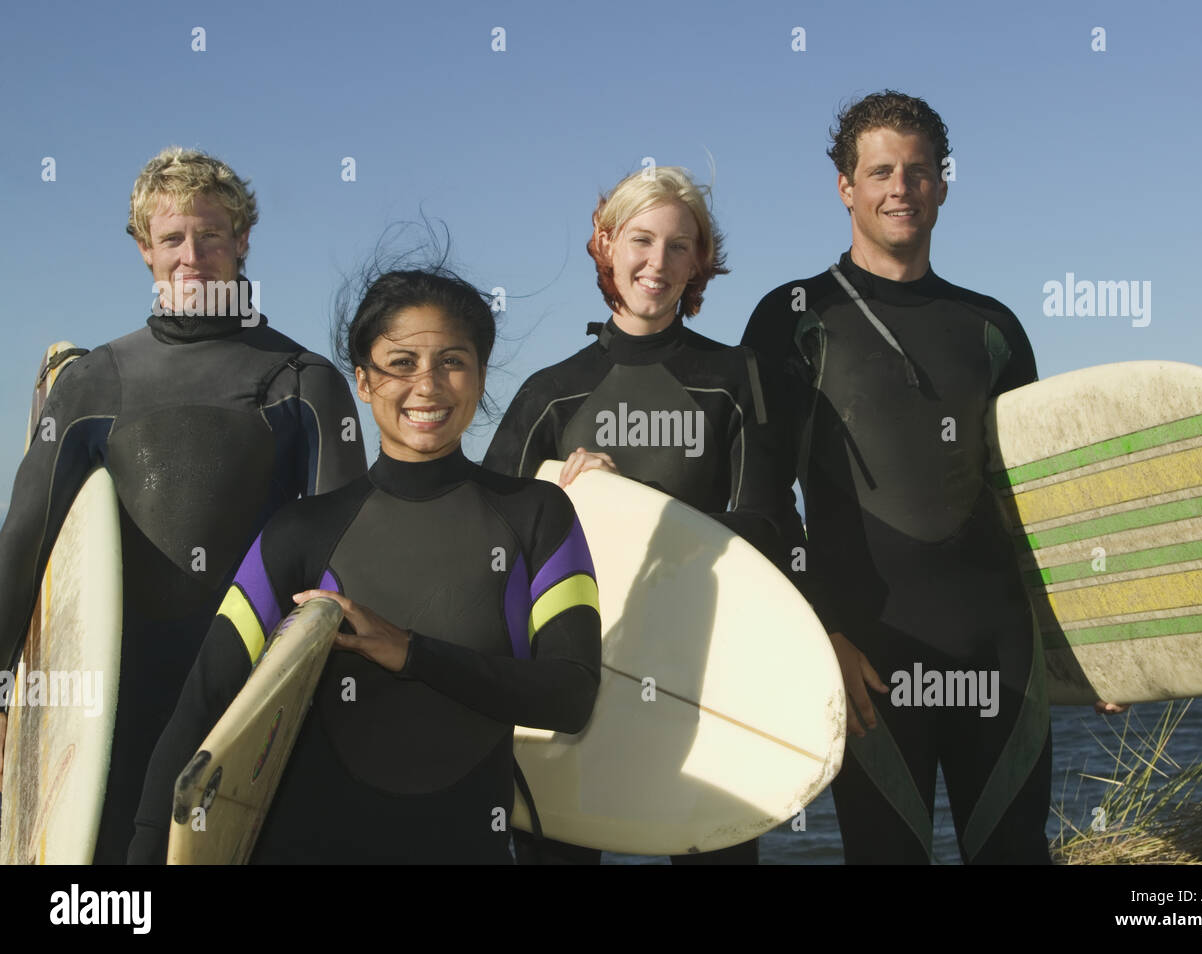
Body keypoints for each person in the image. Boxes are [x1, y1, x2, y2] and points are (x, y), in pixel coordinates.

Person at [129, 261, 602, 864]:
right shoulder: (302, 531)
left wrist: (409, 651)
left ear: (480, 376)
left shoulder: (538, 516)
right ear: (363, 380)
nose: (426, 386)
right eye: (400, 364)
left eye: (452, 361)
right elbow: (202, 706)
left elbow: (571, 695)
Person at [0, 147, 366, 863]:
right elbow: (24, 546)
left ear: (242, 241)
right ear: (144, 250)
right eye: (171, 238)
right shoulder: (94, 383)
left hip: (244, 703)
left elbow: (339, 570)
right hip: (104, 711)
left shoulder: (302, 382)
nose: (192, 256)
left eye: (211, 234)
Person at [742, 91, 1052, 864]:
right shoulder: (794, 315)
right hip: (869, 659)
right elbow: (762, 494)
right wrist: (821, 631)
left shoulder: (991, 325)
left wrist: (1095, 640)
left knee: (1016, 852)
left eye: (918, 172)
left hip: (1000, 649)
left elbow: (1035, 499)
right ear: (845, 186)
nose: (900, 188)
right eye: (880, 172)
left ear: (943, 184)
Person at [484, 166, 801, 864]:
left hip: (708, 677)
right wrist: (563, 507)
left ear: (700, 262)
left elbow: (771, 527)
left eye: (679, 246)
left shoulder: (735, 377)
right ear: (605, 244)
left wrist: (627, 511)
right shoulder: (552, 393)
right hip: (573, 676)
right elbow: (483, 540)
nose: (657, 263)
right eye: (641, 240)